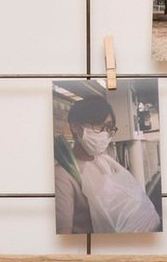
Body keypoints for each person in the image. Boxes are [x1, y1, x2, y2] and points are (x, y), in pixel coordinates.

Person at [54, 95, 161, 234]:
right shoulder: (62, 176)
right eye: (99, 124)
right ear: (76, 127)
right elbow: (63, 236)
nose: (106, 133)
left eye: (109, 127)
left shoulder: (104, 162)